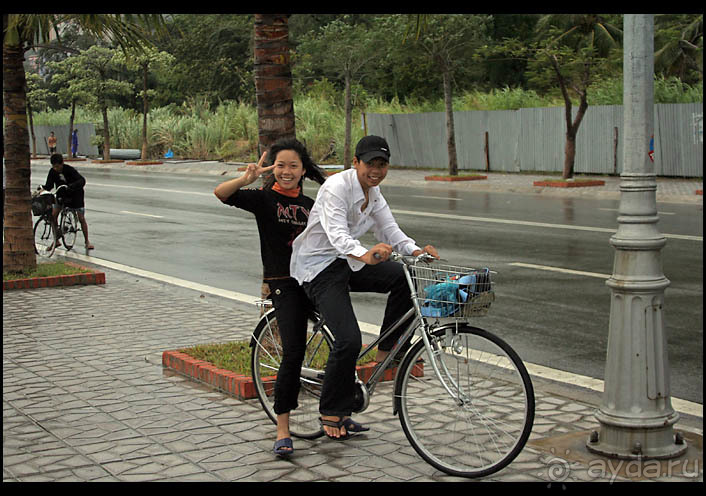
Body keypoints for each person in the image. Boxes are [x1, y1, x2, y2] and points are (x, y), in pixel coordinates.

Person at [214, 138, 366, 457]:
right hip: (285, 284)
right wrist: (246, 178)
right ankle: (283, 429)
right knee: (294, 352)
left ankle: (340, 413)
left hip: (316, 278)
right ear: (273, 169)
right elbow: (221, 194)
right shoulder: (263, 199)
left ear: (302, 170)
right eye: (280, 165)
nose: (286, 171)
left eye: (293, 166)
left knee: (345, 338)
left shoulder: (313, 204)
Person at [290, 135, 439, 440]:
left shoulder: (374, 192)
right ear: (356, 163)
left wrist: (415, 251)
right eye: (370, 163)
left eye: (382, 164)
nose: (376, 170)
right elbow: (337, 235)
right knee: (348, 340)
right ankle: (331, 410)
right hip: (319, 267)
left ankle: (387, 348)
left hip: (349, 262)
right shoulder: (336, 188)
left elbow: (390, 229)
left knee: (402, 276)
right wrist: (366, 254)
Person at [41, 154, 94, 250]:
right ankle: (56, 240)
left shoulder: (69, 170)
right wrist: (42, 189)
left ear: (62, 163)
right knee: (53, 215)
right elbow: (49, 185)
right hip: (62, 195)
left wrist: (72, 186)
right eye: (54, 166)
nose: (56, 168)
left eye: (57, 166)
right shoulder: (52, 172)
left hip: (75, 196)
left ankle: (87, 241)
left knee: (81, 218)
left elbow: (82, 180)